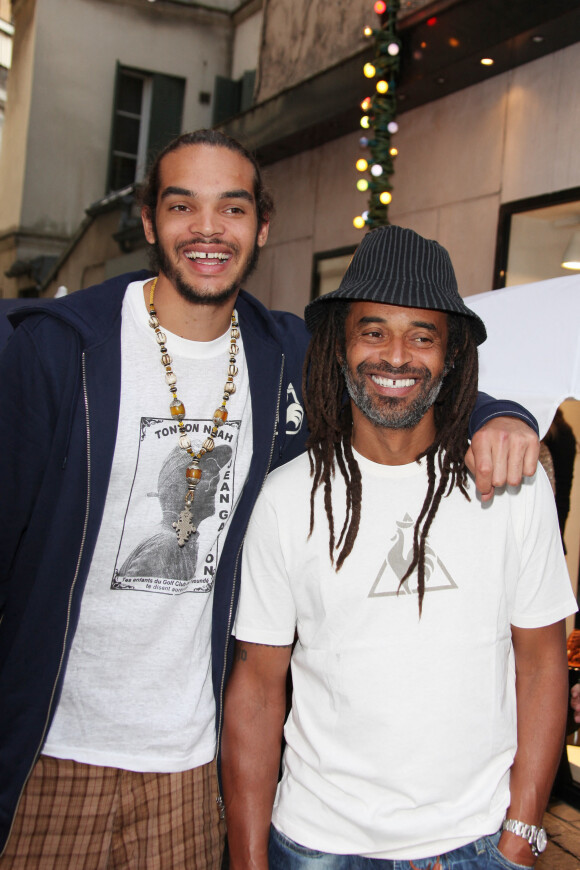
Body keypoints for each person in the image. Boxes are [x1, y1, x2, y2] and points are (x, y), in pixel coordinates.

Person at [0, 131, 539, 868]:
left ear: (261, 227)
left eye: (233, 206)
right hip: (45, 750)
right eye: (182, 204)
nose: (209, 228)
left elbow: (399, 379)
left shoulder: (281, 357)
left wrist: (497, 416)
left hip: (190, 768)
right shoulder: (58, 350)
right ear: (150, 221)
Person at [222, 226, 576, 869]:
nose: (396, 356)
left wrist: (522, 831)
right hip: (316, 845)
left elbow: (543, 664)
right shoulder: (285, 497)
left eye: (422, 336)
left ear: (451, 356)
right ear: (339, 345)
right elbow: (256, 687)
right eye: (374, 330)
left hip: (477, 842)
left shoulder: (512, 491)